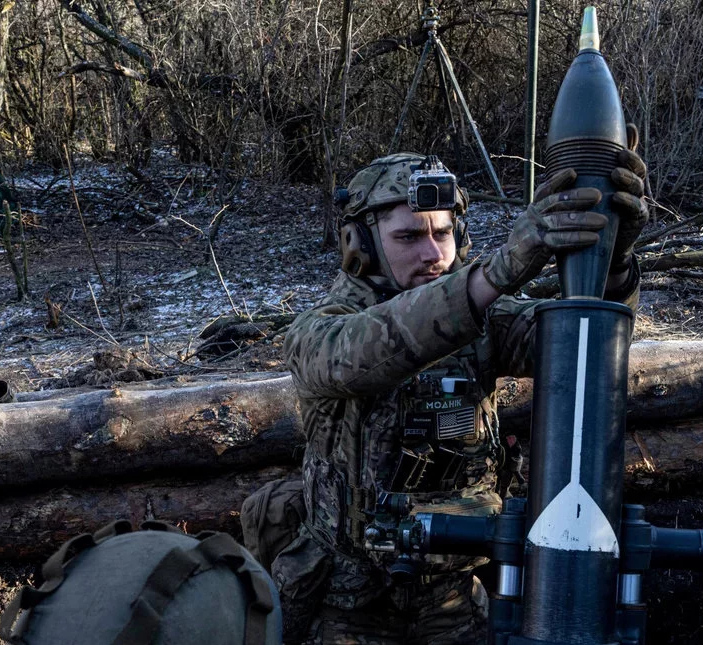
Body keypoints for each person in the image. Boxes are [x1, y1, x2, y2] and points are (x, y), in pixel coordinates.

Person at [272, 132, 649, 644]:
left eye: (444, 233)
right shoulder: (321, 331)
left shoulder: (485, 320)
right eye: (409, 237)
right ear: (360, 244)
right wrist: (494, 274)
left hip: (454, 596)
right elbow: (363, 352)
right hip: (350, 603)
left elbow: (584, 347)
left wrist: (613, 260)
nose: (433, 253)